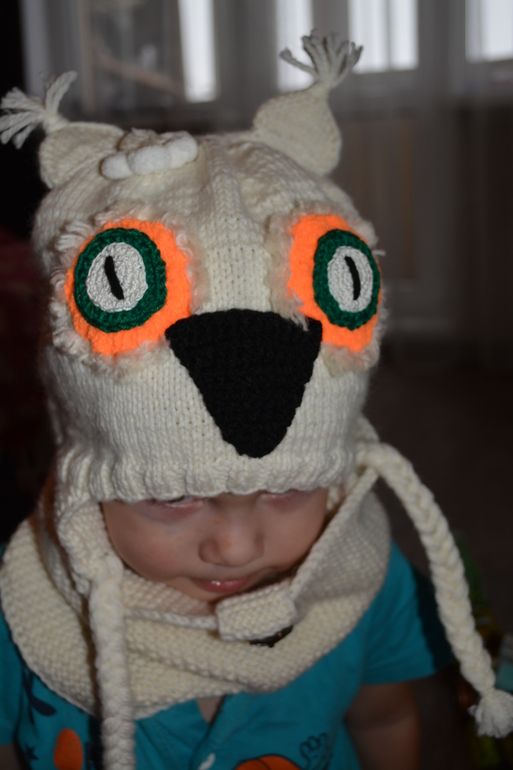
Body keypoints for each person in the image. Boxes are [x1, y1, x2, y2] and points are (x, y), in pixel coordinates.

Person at [0, 31, 512, 770]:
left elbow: (385, 717)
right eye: (173, 497)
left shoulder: (362, 579)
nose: (236, 548)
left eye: (286, 489)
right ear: (91, 476)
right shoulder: (28, 604)